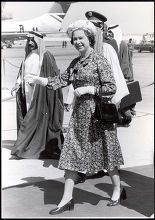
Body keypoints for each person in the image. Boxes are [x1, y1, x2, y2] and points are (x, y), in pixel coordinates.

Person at [25, 20, 127, 215]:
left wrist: (90, 89)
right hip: (80, 118)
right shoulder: (75, 62)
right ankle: (67, 199)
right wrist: (40, 80)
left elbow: (111, 87)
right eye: (75, 39)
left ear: (89, 39)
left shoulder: (99, 60)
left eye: (81, 38)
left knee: (108, 156)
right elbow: (61, 80)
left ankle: (117, 189)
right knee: (71, 155)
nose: (78, 41)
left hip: (98, 117)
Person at [10, 31, 64, 159]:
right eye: (29, 41)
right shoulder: (27, 56)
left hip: (40, 93)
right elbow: (22, 73)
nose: (30, 43)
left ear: (38, 42)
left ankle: (27, 146)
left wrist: (38, 81)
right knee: (28, 115)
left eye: (33, 41)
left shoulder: (46, 56)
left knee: (33, 117)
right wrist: (17, 83)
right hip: (27, 92)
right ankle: (26, 145)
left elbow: (52, 76)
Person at [108, 24, 136, 117]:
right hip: (121, 75)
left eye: (111, 32)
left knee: (123, 101)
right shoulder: (115, 44)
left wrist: (124, 76)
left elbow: (125, 63)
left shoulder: (122, 44)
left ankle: (126, 116)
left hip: (122, 76)